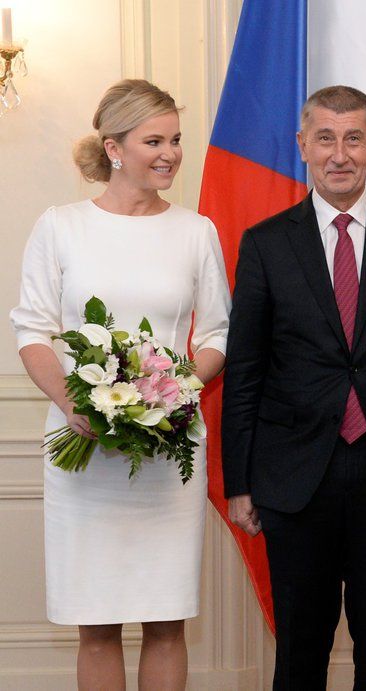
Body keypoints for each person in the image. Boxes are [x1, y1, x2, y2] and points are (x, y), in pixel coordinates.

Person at [221, 85, 366, 690]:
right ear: (302, 145)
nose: (339, 153)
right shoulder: (267, 242)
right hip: (295, 476)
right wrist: (240, 479)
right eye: (325, 137)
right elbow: (246, 368)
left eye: (354, 138)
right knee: (302, 649)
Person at [9, 79, 230, 690]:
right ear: (114, 148)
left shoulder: (196, 231)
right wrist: (74, 404)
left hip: (170, 451)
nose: (169, 153)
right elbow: (31, 328)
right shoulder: (61, 227)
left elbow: (217, 335)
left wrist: (172, 392)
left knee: (166, 618)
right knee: (96, 621)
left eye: (176, 140)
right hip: (83, 453)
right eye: (153, 140)